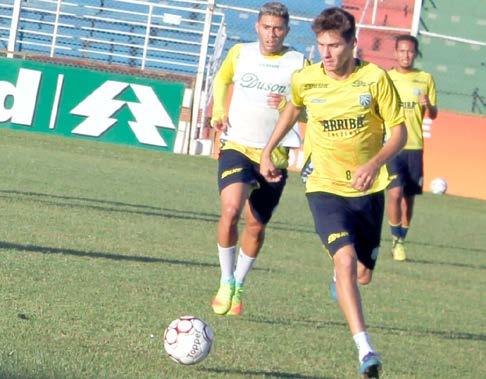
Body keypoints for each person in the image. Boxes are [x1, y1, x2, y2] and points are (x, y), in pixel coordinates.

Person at [260, 7, 407, 378]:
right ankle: (365, 350)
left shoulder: (375, 79)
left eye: (335, 46)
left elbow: (399, 133)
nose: (326, 53)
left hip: (369, 188)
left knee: (361, 274)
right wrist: (268, 150)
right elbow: (293, 110)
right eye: (321, 45)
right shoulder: (306, 79)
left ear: (352, 44)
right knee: (343, 261)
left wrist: (374, 164)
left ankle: (344, 284)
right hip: (323, 185)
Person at [210, 2, 307, 316]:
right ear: (257, 26)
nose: (271, 34)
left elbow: (308, 108)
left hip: (274, 156)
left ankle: (238, 283)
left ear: (287, 31)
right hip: (237, 144)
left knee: (255, 225)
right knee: (230, 210)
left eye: (278, 28)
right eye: (266, 27)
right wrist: (219, 113)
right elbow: (222, 80)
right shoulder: (240, 53)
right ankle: (225, 280)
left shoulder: (298, 62)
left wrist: (286, 105)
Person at [386, 35, 438, 261]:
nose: (406, 55)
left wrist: (429, 106)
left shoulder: (425, 79)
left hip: (415, 147)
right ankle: (395, 239)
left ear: (415, 54)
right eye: (402, 51)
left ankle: (401, 239)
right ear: (395, 52)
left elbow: (434, 114)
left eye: (410, 52)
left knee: (409, 199)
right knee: (394, 193)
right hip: (392, 146)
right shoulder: (386, 78)